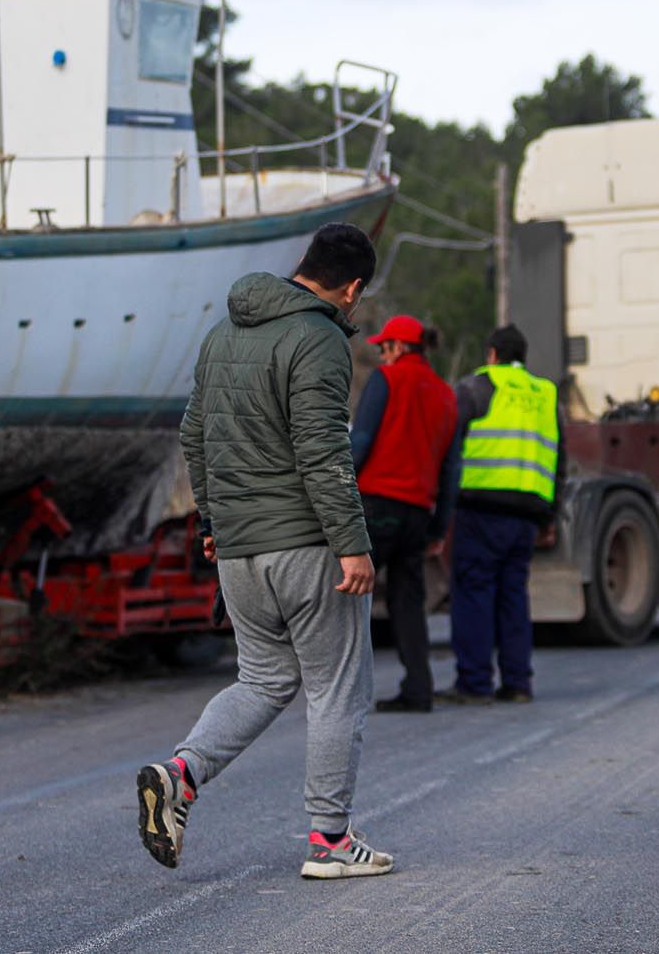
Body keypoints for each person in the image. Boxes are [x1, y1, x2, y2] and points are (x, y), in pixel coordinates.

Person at [138, 222, 395, 881]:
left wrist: (211, 522)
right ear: (353, 287)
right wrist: (352, 544)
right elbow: (321, 446)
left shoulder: (223, 335)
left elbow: (192, 434)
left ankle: (181, 774)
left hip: (239, 552)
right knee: (338, 689)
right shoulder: (319, 339)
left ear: (301, 263)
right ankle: (330, 841)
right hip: (305, 547)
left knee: (264, 678)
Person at [437, 324, 562, 707]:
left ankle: (475, 683)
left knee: (474, 592)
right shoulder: (546, 395)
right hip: (527, 512)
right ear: (523, 357)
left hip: (482, 508)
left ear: (491, 353)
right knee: (513, 596)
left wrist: (440, 511)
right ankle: (518, 682)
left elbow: (448, 445)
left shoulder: (476, 388)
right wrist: (549, 517)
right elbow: (561, 460)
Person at [349, 315, 460, 713]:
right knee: (407, 601)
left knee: (349, 597)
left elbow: (360, 441)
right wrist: (439, 523)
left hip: (375, 504)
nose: (382, 355)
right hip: (417, 512)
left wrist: (336, 490)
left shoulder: (386, 380)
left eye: (384, 348)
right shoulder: (447, 395)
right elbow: (450, 469)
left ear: (398, 348)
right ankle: (419, 687)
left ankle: (342, 694)